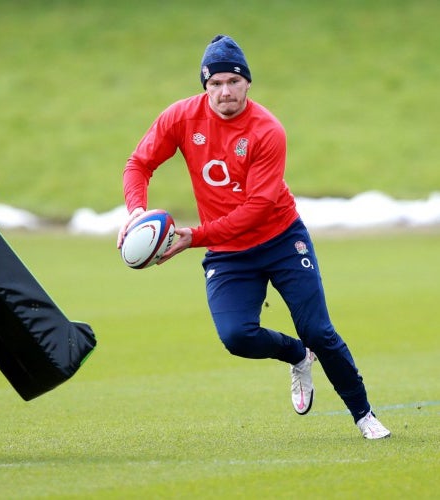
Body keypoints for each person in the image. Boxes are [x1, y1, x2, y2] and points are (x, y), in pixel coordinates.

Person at [117, 35, 390, 439]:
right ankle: (297, 354)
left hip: (281, 239)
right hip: (229, 251)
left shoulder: (267, 130)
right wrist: (136, 210)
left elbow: (257, 209)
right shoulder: (180, 117)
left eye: (233, 81)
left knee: (319, 329)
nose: (224, 91)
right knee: (236, 336)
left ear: (247, 83)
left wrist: (193, 236)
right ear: (204, 86)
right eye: (215, 83)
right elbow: (139, 163)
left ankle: (364, 414)